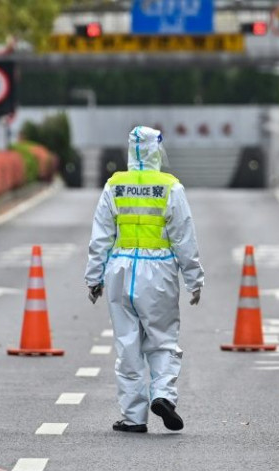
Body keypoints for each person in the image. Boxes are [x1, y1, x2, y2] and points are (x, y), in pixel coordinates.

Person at [85, 126, 204, 433]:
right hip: (159, 270)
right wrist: (194, 279)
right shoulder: (170, 187)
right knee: (162, 339)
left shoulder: (115, 185)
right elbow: (184, 237)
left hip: (120, 269)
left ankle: (133, 417)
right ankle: (163, 393)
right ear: (156, 151)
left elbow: (101, 237)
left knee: (127, 346)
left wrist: (93, 277)